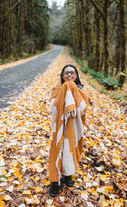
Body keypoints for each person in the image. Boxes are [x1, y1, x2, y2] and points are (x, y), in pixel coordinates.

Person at [48, 64, 89, 197]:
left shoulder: (81, 90)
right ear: (62, 76)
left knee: (69, 149)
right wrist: (66, 91)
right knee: (57, 149)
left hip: (73, 126)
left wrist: (73, 90)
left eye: (72, 73)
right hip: (59, 126)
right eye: (66, 73)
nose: (69, 75)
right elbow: (53, 107)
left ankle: (68, 174)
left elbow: (83, 108)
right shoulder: (57, 89)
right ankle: (55, 181)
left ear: (76, 76)